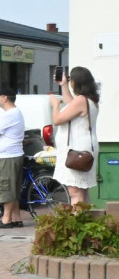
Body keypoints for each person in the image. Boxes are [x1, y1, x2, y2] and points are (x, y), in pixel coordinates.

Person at [50, 66, 100, 204]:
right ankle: (86, 222)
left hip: (76, 150)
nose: (70, 82)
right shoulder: (89, 100)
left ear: (77, 82)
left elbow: (57, 120)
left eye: (71, 79)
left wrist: (55, 105)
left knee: (75, 192)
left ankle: (77, 223)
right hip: (85, 149)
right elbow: (71, 104)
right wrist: (63, 85)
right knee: (82, 192)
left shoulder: (81, 100)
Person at [0, 89, 27, 228]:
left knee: (5, 187)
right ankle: (16, 217)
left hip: (5, 157)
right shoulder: (17, 113)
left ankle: (6, 220)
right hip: (13, 154)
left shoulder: (8, 115)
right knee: (13, 188)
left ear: (5, 97)